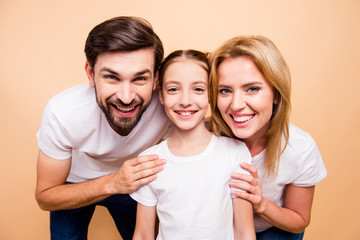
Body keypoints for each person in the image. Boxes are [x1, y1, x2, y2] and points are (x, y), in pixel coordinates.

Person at [35, 16, 171, 240]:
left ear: (156, 77)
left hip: (133, 183)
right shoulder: (62, 113)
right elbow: (45, 197)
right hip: (73, 184)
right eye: (111, 77)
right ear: (91, 74)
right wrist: (113, 182)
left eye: (139, 79)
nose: (126, 98)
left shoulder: (171, 104)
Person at [209, 36, 327, 240]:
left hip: (274, 228)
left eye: (252, 89)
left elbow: (299, 219)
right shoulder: (202, 139)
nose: (236, 105)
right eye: (225, 91)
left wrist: (260, 203)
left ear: (276, 94)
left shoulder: (299, 147)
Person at [130, 49, 256, 240]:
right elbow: (143, 234)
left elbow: (244, 232)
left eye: (198, 89)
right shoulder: (149, 161)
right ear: (161, 95)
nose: (185, 101)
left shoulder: (234, 153)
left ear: (210, 95)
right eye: (173, 89)